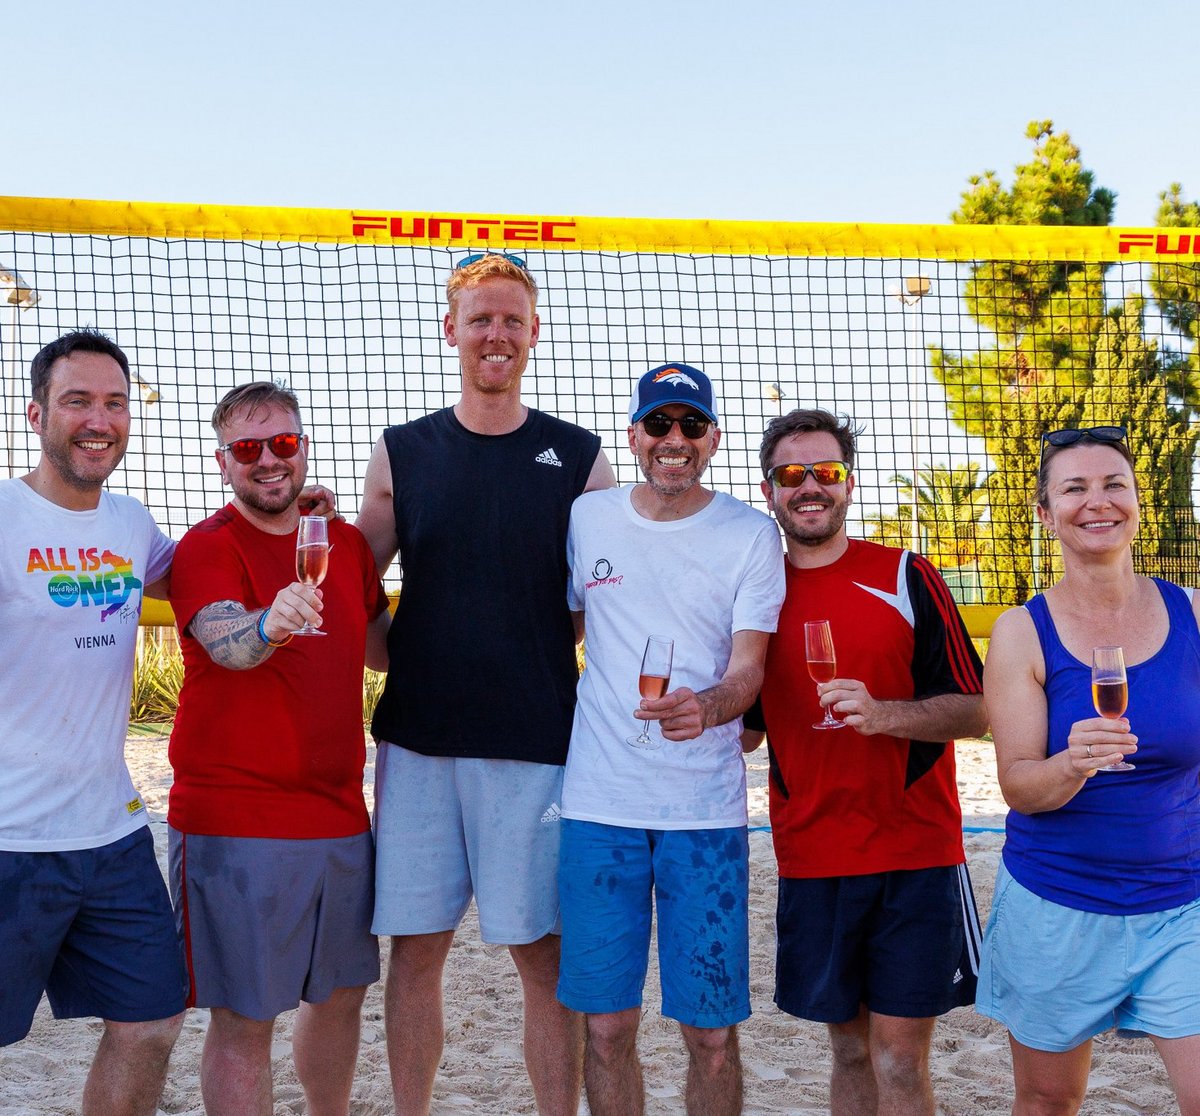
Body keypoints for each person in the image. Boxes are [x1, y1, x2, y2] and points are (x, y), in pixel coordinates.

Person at [355, 252, 616, 1115]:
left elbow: (593, 605)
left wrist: (519, 643)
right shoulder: (402, 452)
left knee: (541, 954)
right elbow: (355, 594)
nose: (495, 335)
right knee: (416, 950)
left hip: (534, 742)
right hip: (420, 742)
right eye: (480, 319)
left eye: (512, 319)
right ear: (450, 331)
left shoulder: (580, 459)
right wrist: (414, 653)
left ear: (534, 333)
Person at [742, 408, 987, 1116]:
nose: (811, 485)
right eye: (793, 474)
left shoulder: (907, 574)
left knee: (899, 1059)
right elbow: (750, 729)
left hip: (914, 856)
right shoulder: (757, 594)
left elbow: (974, 710)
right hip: (813, 857)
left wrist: (885, 714)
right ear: (770, 491)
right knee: (848, 1052)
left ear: (849, 484)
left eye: (827, 471)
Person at [557, 363, 785, 1116]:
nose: (674, 440)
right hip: (599, 807)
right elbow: (567, 629)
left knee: (711, 1035)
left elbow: (750, 669)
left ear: (714, 439)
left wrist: (712, 707)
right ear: (635, 436)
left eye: (691, 425)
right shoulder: (589, 518)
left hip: (705, 816)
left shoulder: (752, 536)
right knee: (607, 1026)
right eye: (659, 424)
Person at [166, 381, 391, 1116]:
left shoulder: (345, 545)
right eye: (249, 448)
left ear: (303, 448)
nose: (269, 461)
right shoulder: (206, 546)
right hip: (236, 822)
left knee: (341, 997)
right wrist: (269, 624)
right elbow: (227, 644)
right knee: (244, 1018)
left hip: (338, 819)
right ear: (223, 462)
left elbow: (384, 653)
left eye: (283, 444)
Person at [978, 425, 1200, 1115]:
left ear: (1138, 502)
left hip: (1181, 905)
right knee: (1048, 1103)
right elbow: (1019, 786)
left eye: (1114, 485)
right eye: (1074, 488)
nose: (1097, 502)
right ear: (1045, 514)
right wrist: (1071, 764)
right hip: (1058, 907)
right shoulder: (1022, 630)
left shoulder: (1192, 612)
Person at [0, 329, 187, 1115]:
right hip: (10, 838)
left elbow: (210, 570)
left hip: (109, 834)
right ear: (38, 412)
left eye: (114, 402)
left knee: (152, 1023)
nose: (98, 419)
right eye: (78, 401)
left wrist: (293, 513)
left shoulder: (131, 522)